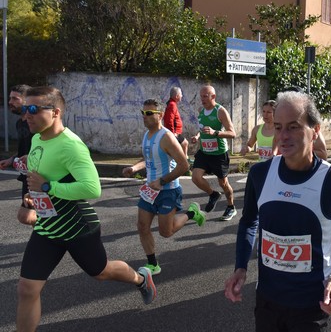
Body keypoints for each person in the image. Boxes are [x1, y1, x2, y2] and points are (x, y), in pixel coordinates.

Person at [16, 87, 156, 332]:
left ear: (55, 112)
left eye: (33, 109)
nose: (26, 114)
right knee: (27, 288)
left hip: (77, 226)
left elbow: (92, 189)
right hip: (48, 227)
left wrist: (48, 187)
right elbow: (43, 179)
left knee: (101, 272)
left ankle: (141, 279)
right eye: (24, 108)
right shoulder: (37, 138)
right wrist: (33, 197)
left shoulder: (71, 145)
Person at [224, 91, 331, 332]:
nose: (283, 136)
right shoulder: (259, 174)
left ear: (315, 130)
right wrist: (240, 267)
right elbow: (248, 221)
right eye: (278, 127)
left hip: (312, 306)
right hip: (267, 301)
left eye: (293, 127)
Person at [122, 98, 206, 275]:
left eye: (149, 113)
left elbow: (184, 166)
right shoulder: (146, 135)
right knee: (142, 226)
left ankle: (192, 213)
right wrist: (133, 168)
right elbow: (147, 159)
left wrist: (161, 181)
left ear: (160, 115)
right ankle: (153, 264)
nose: (144, 116)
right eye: (143, 113)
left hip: (168, 191)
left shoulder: (166, 137)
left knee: (166, 232)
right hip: (149, 191)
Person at [190, 85, 238, 221]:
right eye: (201, 96)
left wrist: (215, 132)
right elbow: (202, 129)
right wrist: (197, 137)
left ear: (213, 97)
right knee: (195, 177)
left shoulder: (220, 111)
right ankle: (213, 194)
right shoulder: (201, 110)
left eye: (205, 96)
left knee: (223, 183)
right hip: (204, 152)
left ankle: (231, 207)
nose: (202, 99)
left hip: (219, 154)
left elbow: (232, 133)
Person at [0, 84, 33, 200]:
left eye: (15, 99)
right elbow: (23, 148)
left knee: (28, 215)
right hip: (26, 176)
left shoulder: (36, 124)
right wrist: (11, 160)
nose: (10, 102)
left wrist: (32, 157)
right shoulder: (19, 123)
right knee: (29, 215)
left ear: (27, 101)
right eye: (10, 98)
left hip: (38, 177)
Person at [163, 86, 189, 159]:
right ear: (177, 96)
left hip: (174, 132)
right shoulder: (172, 105)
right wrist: (172, 133)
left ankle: (183, 160)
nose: (182, 96)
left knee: (183, 144)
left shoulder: (171, 103)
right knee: (185, 143)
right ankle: (184, 162)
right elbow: (169, 119)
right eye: (181, 94)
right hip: (174, 133)